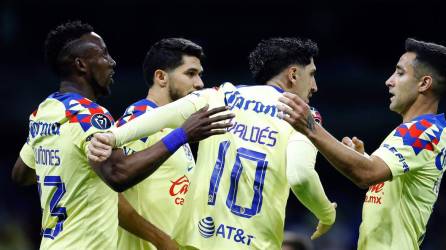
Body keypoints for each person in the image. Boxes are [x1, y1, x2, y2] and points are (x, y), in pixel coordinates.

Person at [88, 37, 337, 249]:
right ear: (293, 74)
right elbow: (301, 176)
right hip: (253, 242)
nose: (314, 86)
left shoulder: (221, 95)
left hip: (199, 241)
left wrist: (112, 136)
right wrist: (326, 213)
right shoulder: (303, 117)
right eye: (312, 75)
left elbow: (165, 115)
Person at [11, 21, 230, 249]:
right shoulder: (91, 116)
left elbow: (21, 174)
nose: (112, 62)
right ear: (81, 65)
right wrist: (181, 135)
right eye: (103, 54)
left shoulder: (45, 111)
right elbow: (118, 174)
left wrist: (66, 166)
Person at [277, 38, 446, 249]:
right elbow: (385, 180)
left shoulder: (421, 132)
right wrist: (362, 158)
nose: (389, 81)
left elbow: (365, 174)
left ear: (424, 83)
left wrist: (310, 127)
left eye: (400, 73)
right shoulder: (421, 131)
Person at [116, 38, 205, 250]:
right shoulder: (139, 118)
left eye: (200, 74)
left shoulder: (177, 127)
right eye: (190, 73)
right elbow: (111, 193)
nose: (200, 83)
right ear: (161, 77)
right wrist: (161, 241)